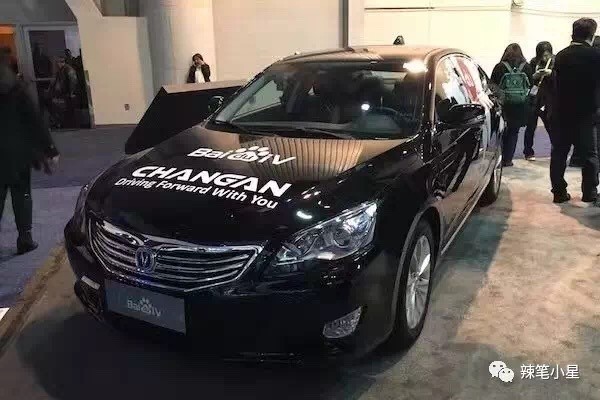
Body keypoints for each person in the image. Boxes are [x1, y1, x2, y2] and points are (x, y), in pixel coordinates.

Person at [0, 62, 59, 254]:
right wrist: (50, 149)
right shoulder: (17, 89)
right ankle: (25, 238)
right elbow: (35, 121)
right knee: (22, 194)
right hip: (17, 153)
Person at [550, 18, 600, 205]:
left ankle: (559, 192)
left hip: (562, 112)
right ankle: (589, 192)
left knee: (559, 154)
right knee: (589, 156)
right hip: (586, 114)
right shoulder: (595, 55)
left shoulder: (561, 56)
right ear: (591, 35)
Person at [491, 43, 533, 167]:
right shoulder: (526, 67)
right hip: (520, 104)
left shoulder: (500, 67)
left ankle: (500, 156)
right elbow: (531, 84)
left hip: (504, 104)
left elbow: (492, 84)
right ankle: (508, 159)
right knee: (514, 132)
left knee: (502, 130)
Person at [523, 41, 554, 161]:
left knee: (550, 126)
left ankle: (556, 149)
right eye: (542, 55)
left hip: (547, 99)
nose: (545, 58)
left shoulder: (555, 62)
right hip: (534, 98)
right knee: (530, 127)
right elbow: (528, 79)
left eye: (547, 55)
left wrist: (550, 74)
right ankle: (528, 151)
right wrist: (535, 76)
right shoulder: (533, 62)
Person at [48, 55, 78, 128]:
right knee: (64, 109)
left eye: (57, 62)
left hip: (68, 93)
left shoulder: (68, 70)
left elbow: (73, 81)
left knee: (69, 110)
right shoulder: (61, 70)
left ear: (61, 62)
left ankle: (70, 125)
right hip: (64, 93)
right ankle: (65, 124)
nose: (56, 64)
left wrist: (71, 92)